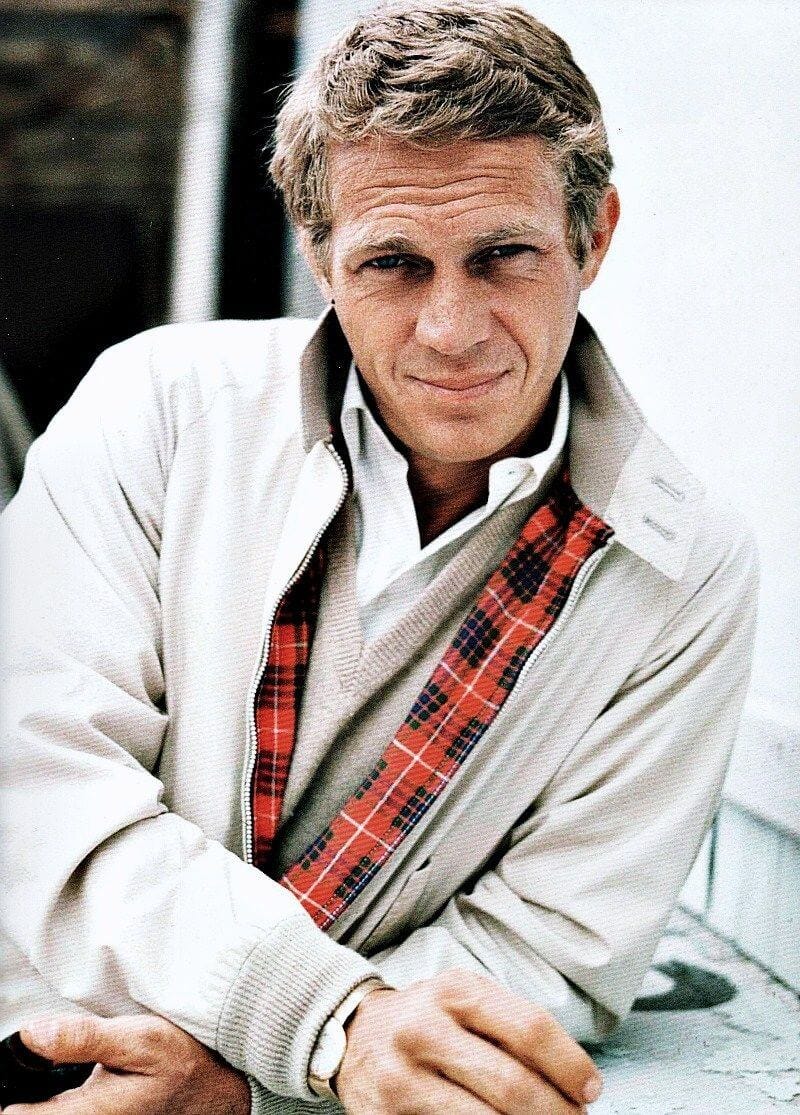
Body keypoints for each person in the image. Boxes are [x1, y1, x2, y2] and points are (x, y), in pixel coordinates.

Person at [0, 1, 758, 1112]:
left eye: (502, 256)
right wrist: (328, 1027)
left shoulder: (682, 566)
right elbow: (37, 779)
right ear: (319, 257)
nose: (451, 328)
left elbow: (550, 939)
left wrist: (255, 1079)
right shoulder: (156, 412)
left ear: (592, 239)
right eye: (394, 264)